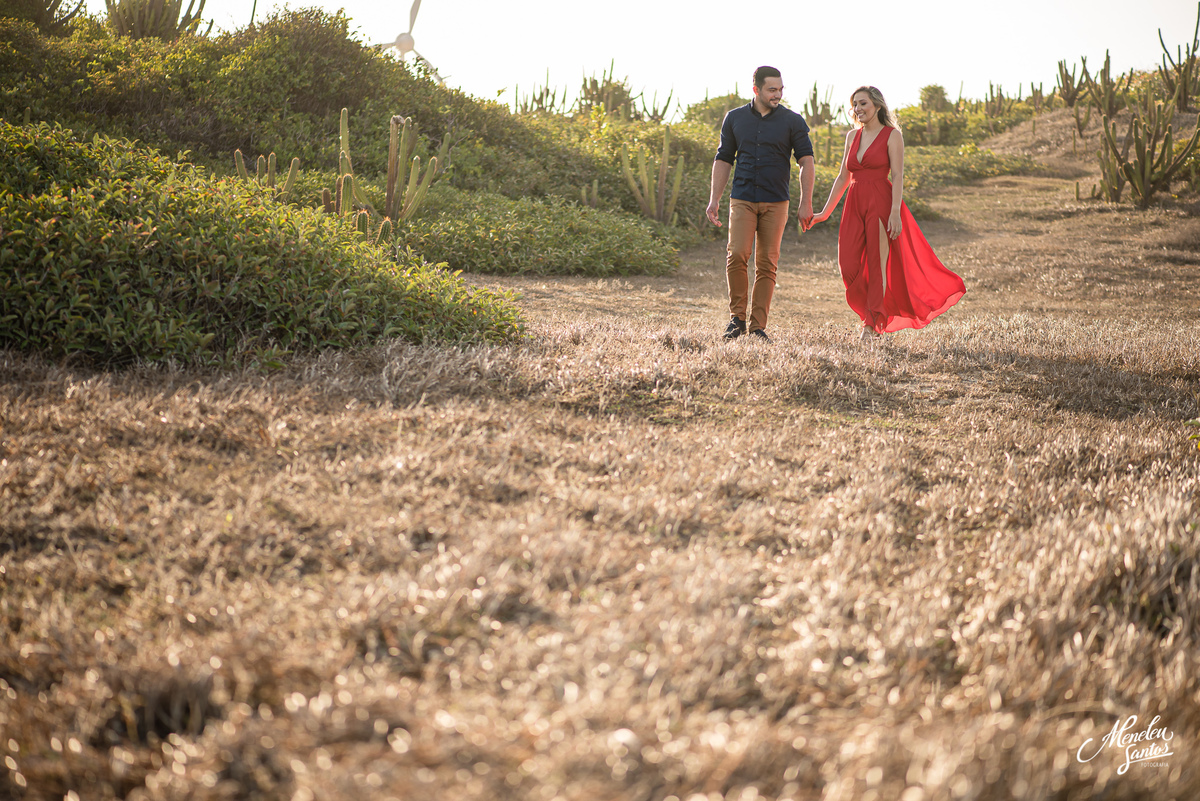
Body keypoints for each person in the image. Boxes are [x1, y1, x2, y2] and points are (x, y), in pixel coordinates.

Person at [806, 86, 964, 340]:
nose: (858, 109)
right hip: (854, 202)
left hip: (880, 201)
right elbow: (843, 176)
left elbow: (898, 175)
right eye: (855, 104)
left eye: (863, 104)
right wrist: (824, 212)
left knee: (877, 264)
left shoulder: (892, 136)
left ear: (877, 106)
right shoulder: (851, 136)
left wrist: (894, 213)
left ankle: (871, 324)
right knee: (847, 264)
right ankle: (872, 313)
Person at [707, 66, 815, 342]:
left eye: (780, 89)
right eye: (772, 89)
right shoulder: (734, 118)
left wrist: (806, 202)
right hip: (742, 197)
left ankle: (757, 327)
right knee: (737, 255)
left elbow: (806, 161)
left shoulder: (793, 121)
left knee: (767, 263)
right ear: (756, 89)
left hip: (776, 202)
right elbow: (723, 158)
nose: (778, 94)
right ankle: (736, 319)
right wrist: (714, 199)